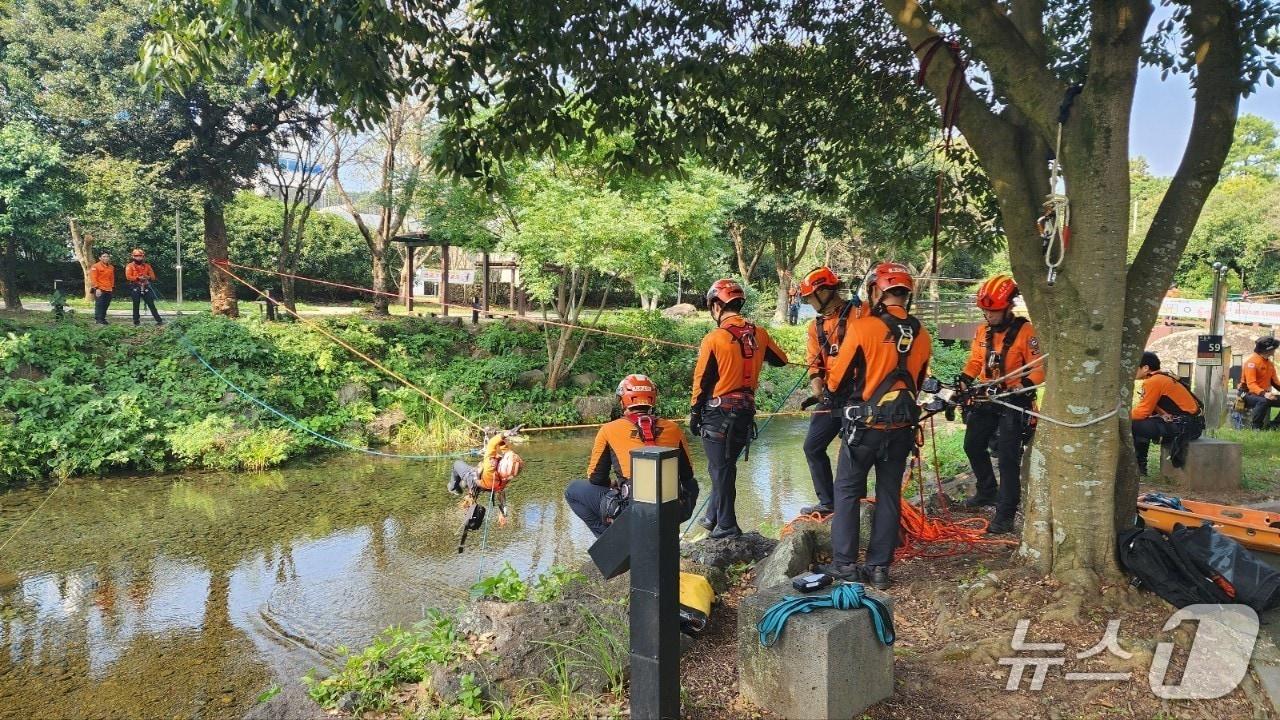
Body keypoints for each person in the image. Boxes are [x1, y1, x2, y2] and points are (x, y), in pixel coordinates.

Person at [816, 262, 930, 589]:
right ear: (906, 294)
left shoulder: (864, 327)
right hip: (901, 428)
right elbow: (918, 381)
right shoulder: (922, 334)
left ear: (877, 292)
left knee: (848, 492)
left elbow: (836, 381)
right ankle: (879, 569)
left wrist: (830, 394)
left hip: (864, 428)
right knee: (888, 494)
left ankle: (845, 564)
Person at [690, 279, 789, 538]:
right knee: (724, 467)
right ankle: (713, 516)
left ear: (716, 306)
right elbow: (781, 360)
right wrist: (753, 350)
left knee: (720, 469)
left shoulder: (715, 338)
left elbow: (702, 381)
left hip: (719, 412)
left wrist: (693, 413)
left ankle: (727, 525)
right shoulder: (760, 334)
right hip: (745, 412)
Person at [956, 274, 1044, 535]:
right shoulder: (982, 331)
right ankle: (987, 491)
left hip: (1015, 401)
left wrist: (1021, 384)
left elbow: (1040, 368)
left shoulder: (1027, 332)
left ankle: (1005, 514)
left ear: (1008, 307)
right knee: (972, 445)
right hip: (987, 397)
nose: (988, 316)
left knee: (1007, 457)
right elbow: (975, 361)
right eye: (985, 311)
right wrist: (964, 379)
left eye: (993, 311)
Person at [565, 374, 699, 536]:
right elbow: (687, 475)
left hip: (633, 509)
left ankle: (609, 539)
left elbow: (596, 478)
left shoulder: (609, 429)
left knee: (572, 491)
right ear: (652, 399)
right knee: (693, 484)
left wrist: (613, 484)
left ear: (623, 400)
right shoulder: (674, 429)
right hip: (671, 507)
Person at [796, 266, 865, 517]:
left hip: (859, 393)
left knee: (853, 449)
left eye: (810, 297)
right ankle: (828, 502)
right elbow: (814, 362)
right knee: (812, 446)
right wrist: (818, 390)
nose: (809, 303)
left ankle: (856, 502)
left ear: (824, 291)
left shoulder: (860, 313)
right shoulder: (816, 327)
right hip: (831, 394)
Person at [1132, 351, 1204, 475]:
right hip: (1192, 426)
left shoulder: (1153, 381)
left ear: (1145, 368)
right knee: (1140, 424)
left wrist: (1119, 415)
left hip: (1184, 428)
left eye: (1134, 366)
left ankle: (1139, 466)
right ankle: (1139, 467)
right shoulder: (1162, 377)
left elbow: (1142, 413)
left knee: (1134, 424)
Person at [449, 430, 523, 525]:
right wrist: (499, 436)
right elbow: (505, 450)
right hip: (488, 486)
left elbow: (491, 444)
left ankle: (453, 488)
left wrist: (504, 434)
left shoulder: (490, 468)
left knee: (457, 464)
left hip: (475, 480)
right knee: (466, 482)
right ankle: (463, 485)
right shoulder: (506, 477)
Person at [1241, 336, 1280, 429]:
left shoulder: (1269, 364)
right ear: (1267, 350)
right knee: (1263, 401)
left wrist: (1265, 394)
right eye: (1274, 348)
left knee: (1264, 399)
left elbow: (1275, 382)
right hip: (1246, 393)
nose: (1275, 350)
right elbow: (1251, 384)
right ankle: (1256, 427)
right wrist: (1264, 394)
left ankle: (1274, 425)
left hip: (1262, 394)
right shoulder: (1252, 363)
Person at [125, 249, 164, 326]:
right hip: (135, 286)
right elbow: (128, 277)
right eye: (136, 256)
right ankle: (136, 321)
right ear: (133, 256)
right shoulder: (129, 266)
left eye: (140, 256)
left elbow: (153, 277)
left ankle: (159, 320)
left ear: (143, 257)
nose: (138, 258)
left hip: (146, 286)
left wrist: (147, 277)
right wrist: (138, 278)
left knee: (151, 303)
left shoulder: (147, 266)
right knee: (136, 304)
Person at [88, 252, 115, 325]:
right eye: (104, 256)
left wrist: (112, 287)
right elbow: (93, 278)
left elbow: (112, 278)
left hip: (108, 288)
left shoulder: (111, 267)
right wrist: (97, 288)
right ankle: (98, 320)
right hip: (99, 289)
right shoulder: (95, 266)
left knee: (106, 304)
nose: (106, 258)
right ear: (100, 258)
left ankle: (102, 319)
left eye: (107, 256)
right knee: (99, 304)